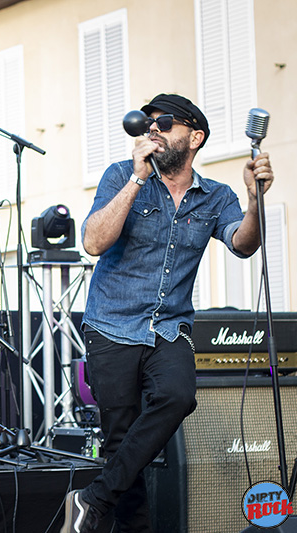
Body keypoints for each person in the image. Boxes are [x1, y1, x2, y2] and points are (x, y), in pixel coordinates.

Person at [61, 94, 274, 533]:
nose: (153, 127)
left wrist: (254, 201)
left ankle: (92, 500)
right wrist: (138, 179)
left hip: (169, 328)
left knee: (179, 395)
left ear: (195, 137)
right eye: (149, 121)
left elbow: (243, 243)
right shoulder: (121, 175)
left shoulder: (216, 197)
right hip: (111, 325)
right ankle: (113, 516)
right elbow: (94, 242)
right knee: (123, 448)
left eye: (166, 122)